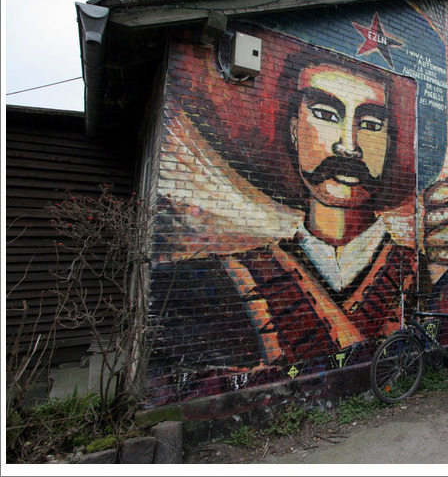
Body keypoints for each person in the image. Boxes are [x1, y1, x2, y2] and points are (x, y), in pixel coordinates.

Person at [150, 35, 418, 381]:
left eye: (369, 125)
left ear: (389, 142)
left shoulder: (425, 271)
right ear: (293, 130)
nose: (348, 145)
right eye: (325, 114)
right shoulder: (221, 280)